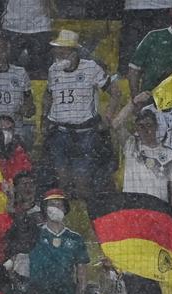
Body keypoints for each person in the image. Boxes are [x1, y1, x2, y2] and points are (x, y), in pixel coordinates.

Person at [42, 36, 113, 201]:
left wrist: (108, 117)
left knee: (82, 183)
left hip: (85, 133)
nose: (58, 54)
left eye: (62, 50)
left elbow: (115, 92)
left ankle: (86, 219)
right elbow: (48, 93)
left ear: (73, 52)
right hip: (59, 132)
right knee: (62, 183)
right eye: (57, 50)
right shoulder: (53, 70)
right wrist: (44, 118)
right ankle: (66, 217)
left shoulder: (91, 68)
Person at [24, 191, 88, 294]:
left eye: (59, 204)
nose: (56, 208)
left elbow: (81, 269)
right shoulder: (34, 234)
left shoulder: (75, 238)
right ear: (44, 208)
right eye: (52, 204)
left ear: (66, 208)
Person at [113, 93, 172, 205]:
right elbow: (116, 123)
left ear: (156, 127)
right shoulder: (131, 145)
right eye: (141, 126)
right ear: (136, 128)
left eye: (149, 125)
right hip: (133, 208)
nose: (145, 130)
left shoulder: (170, 154)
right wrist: (134, 102)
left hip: (157, 209)